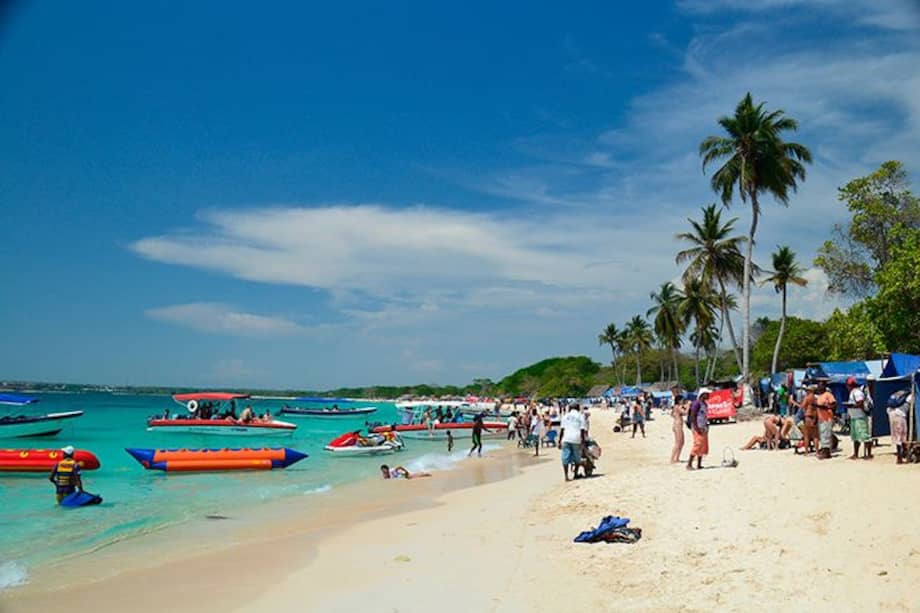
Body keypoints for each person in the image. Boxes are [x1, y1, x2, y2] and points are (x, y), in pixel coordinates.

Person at [846, 377, 872, 460]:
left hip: (860, 417)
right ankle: (856, 454)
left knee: (865, 436)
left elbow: (860, 403)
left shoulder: (857, 392)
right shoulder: (853, 392)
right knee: (855, 437)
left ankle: (868, 454)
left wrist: (852, 406)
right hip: (854, 417)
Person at [559, 403, 587, 481]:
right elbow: (582, 429)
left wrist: (559, 440)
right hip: (576, 438)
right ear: (578, 408)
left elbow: (562, 429)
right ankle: (575, 474)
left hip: (566, 438)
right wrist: (583, 441)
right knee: (577, 457)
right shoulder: (580, 416)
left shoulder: (565, 416)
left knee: (565, 458)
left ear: (570, 408)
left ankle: (566, 476)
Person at [687, 389, 710, 470]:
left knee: (702, 445)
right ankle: (689, 464)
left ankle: (699, 464)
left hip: (703, 426)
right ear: (702, 394)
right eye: (707, 394)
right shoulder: (697, 403)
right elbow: (693, 415)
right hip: (697, 427)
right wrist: (696, 428)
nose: (708, 395)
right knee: (698, 444)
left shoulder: (704, 404)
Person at [815, 381, 837, 459]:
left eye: (820, 386)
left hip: (827, 418)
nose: (819, 387)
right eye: (818, 386)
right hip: (821, 418)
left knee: (826, 434)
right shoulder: (819, 396)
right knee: (822, 435)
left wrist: (826, 407)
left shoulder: (828, 395)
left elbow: (834, 405)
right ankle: (824, 450)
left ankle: (827, 452)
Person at [888, 393, 909, 464]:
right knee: (901, 435)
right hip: (900, 415)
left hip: (892, 413)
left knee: (898, 436)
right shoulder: (911, 396)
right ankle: (899, 457)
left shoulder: (900, 393)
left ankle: (903, 453)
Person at [799, 386, 819, 454]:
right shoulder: (815, 398)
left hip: (808, 416)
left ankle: (806, 452)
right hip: (814, 416)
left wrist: (796, 402)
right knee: (815, 436)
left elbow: (803, 406)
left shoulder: (807, 397)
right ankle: (817, 451)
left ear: (810, 391)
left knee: (806, 435)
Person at [670, 395, 688, 463]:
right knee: (678, 443)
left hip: (678, 425)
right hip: (678, 425)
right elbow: (685, 413)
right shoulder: (677, 406)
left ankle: (677, 458)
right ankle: (672, 459)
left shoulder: (676, 407)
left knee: (682, 442)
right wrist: (688, 406)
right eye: (682, 400)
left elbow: (672, 414)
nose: (683, 401)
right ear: (679, 400)